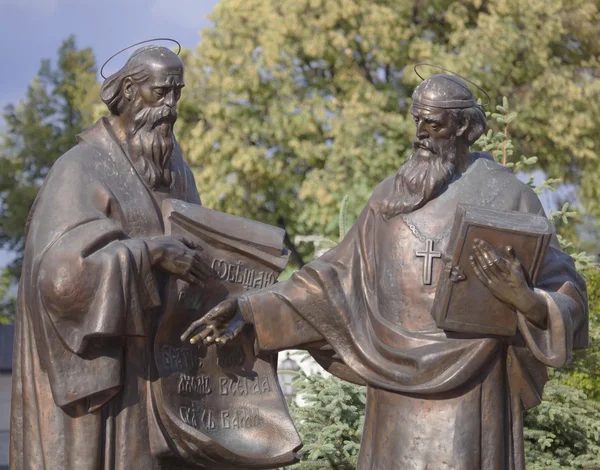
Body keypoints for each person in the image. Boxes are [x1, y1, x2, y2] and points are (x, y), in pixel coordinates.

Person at [183, 74, 588, 470]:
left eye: (434, 123)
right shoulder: (389, 197)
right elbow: (332, 280)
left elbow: (568, 291)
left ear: (464, 127)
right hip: (392, 390)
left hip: (473, 389)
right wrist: (251, 310)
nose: (420, 134)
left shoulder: (511, 197)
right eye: (417, 121)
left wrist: (529, 302)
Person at [10, 45, 214, 469]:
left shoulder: (177, 171)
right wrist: (149, 253)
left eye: (178, 93)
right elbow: (59, 277)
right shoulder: (80, 167)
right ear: (128, 89)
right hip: (107, 381)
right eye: (162, 92)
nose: (171, 107)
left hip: (164, 373)